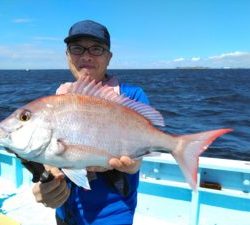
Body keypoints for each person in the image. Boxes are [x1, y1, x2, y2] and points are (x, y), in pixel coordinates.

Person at [32, 20, 150, 225]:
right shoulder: (59, 100)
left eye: (96, 49)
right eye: (77, 48)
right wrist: (48, 183)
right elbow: (52, 154)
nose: (86, 56)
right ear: (67, 55)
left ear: (109, 57)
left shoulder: (132, 96)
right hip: (64, 214)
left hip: (113, 217)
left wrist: (131, 166)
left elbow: (139, 156)